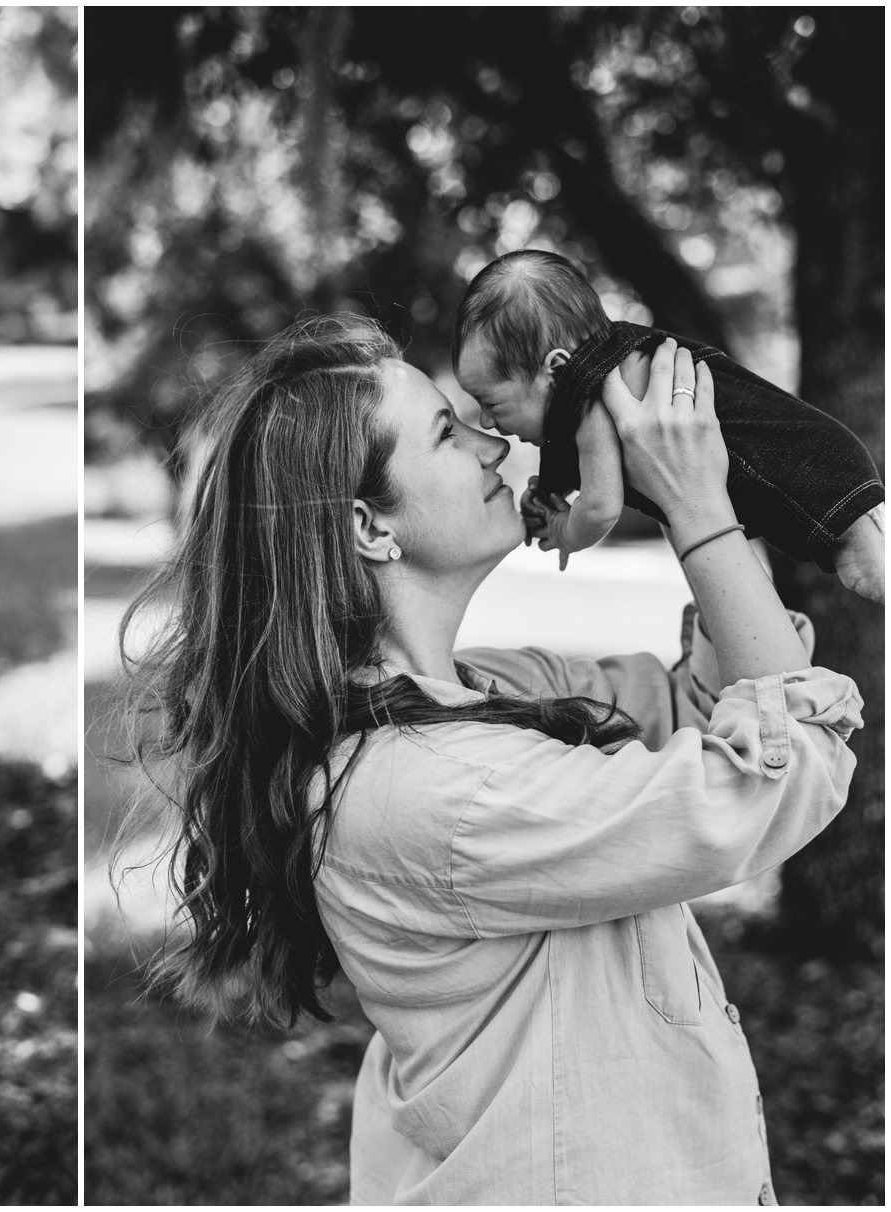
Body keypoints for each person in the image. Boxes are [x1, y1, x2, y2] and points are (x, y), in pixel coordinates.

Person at [124, 314, 861, 1204]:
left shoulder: (485, 692)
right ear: (367, 525)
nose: (494, 440)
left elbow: (699, 702)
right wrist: (701, 512)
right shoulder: (436, 788)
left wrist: (676, 485)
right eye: (447, 430)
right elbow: (777, 773)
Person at [453, 249, 884, 600]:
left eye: (490, 401)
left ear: (557, 368)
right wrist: (548, 493)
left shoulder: (593, 393)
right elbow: (572, 459)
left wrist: (566, 532)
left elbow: (601, 506)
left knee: (866, 568)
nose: (486, 421)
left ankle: (861, 537)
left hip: (814, 466)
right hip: (821, 456)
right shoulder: (591, 380)